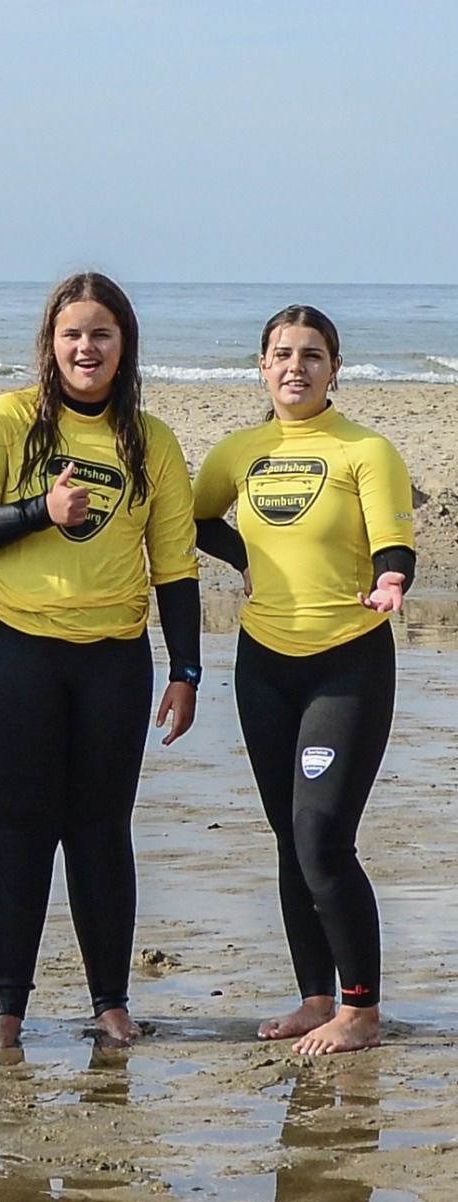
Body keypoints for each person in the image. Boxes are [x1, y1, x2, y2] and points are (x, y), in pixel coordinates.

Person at [0, 271, 201, 1049]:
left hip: (113, 658)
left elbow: (176, 565)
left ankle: (110, 1003)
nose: (86, 348)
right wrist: (39, 512)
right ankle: (7, 1009)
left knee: (100, 830)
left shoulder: (150, 439)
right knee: (18, 828)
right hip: (10, 651)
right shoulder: (8, 420)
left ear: (125, 346)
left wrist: (186, 671)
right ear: (50, 345)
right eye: (72, 334)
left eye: (102, 334)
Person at [193, 306, 415, 1057]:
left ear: (334, 369)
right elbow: (189, 520)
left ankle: (361, 1009)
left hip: (346, 662)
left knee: (323, 838)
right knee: (291, 840)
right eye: (282, 354)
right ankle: (315, 996)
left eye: (312, 355)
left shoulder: (365, 450)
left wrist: (391, 581)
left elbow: (394, 539)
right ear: (262, 366)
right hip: (263, 664)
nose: (296, 366)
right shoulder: (240, 451)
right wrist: (239, 558)